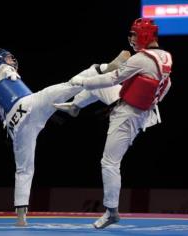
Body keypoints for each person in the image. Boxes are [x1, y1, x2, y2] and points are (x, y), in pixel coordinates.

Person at [0, 48, 129, 226]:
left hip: (17, 128)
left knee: (24, 169)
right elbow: (4, 71)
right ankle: (103, 69)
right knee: (71, 85)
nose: (11, 60)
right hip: (29, 105)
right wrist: (7, 70)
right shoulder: (2, 71)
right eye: (7, 58)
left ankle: (21, 217)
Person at [55, 18, 173, 229]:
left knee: (109, 163)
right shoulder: (166, 56)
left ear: (144, 35)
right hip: (133, 105)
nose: (131, 39)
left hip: (129, 115)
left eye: (134, 34)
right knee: (96, 80)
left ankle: (112, 212)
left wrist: (81, 81)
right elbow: (165, 85)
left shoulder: (142, 59)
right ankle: (75, 106)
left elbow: (112, 79)